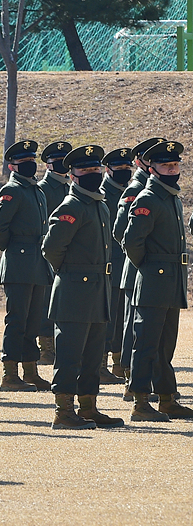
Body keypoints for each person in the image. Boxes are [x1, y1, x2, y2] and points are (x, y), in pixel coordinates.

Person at [42, 144, 123, 429]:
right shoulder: (71, 206)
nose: (92, 173)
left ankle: (88, 407)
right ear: (72, 174)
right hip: (75, 290)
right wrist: (70, 272)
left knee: (92, 354)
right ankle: (63, 412)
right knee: (70, 354)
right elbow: (51, 248)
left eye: (95, 169)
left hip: (98, 288)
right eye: (85, 170)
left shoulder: (99, 203)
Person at [122, 140, 193, 422]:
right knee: (147, 344)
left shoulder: (170, 196)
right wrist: (149, 268)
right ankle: (140, 402)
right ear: (152, 169)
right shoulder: (148, 198)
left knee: (165, 345)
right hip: (154, 280)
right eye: (166, 165)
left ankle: (167, 398)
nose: (173, 169)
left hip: (171, 281)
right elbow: (131, 241)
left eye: (175, 165)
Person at [0, 140, 53, 392]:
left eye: (31, 161)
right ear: (12, 166)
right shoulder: (11, 190)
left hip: (37, 261)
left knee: (33, 321)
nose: (29, 165)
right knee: (17, 321)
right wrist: (13, 248)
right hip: (19, 262)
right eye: (23, 162)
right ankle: (10, 374)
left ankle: (30, 371)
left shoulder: (36, 190)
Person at [113, 137, 165, 401]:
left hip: (152, 272)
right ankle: (130, 382)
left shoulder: (159, 188)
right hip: (138, 268)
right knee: (134, 329)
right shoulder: (136, 189)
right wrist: (144, 259)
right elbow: (121, 232)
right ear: (140, 161)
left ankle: (147, 382)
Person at [98, 148, 133, 384]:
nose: (124, 172)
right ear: (108, 170)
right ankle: (99, 364)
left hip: (125, 264)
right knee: (106, 318)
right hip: (108, 265)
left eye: (126, 168)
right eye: (119, 169)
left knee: (122, 318)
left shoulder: (129, 193)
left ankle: (119, 363)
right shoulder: (101, 194)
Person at [36, 141, 72, 364]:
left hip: (70, 254)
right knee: (45, 303)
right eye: (57, 162)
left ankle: (59, 344)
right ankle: (46, 348)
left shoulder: (69, 187)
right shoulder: (42, 189)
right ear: (48, 165)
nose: (62, 166)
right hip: (47, 253)